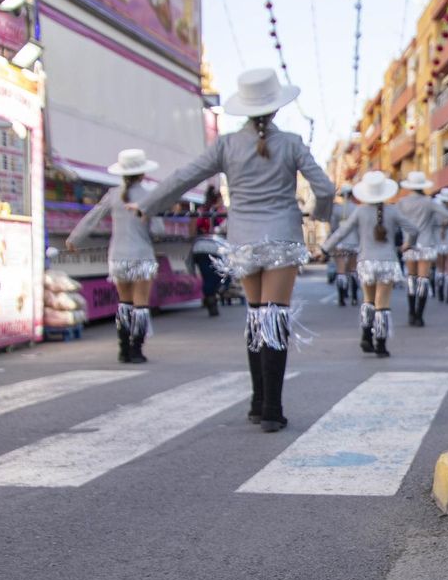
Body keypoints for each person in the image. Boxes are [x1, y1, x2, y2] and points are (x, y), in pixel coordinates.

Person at [134, 69, 335, 432]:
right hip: (283, 239)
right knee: (274, 318)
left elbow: (184, 177)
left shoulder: (226, 145)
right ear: (275, 108)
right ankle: (273, 408)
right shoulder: (291, 143)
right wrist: (319, 215)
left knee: (255, 317)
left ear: (245, 108)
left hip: (242, 241)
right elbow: (325, 188)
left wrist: (147, 206)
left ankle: (257, 403)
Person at [65, 149, 163, 364]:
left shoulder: (113, 194)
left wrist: (74, 239)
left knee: (124, 303)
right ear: (142, 173)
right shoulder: (150, 196)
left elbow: (92, 218)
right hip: (142, 255)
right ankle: (136, 350)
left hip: (118, 256)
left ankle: (123, 349)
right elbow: (158, 230)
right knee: (141, 305)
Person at [324, 170, 403, 358]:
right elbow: (412, 229)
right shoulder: (392, 211)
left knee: (368, 300)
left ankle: (366, 335)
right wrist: (407, 244)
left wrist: (326, 247)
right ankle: (381, 345)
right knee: (382, 303)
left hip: (366, 260)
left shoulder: (359, 211)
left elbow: (341, 232)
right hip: (388, 261)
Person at [393, 170, 448, 327]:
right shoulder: (428, 202)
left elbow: (394, 220)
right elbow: (447, 215)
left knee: (411, 279)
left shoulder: (402, 202)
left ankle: (411, 312)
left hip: (409, 244)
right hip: (425, 243)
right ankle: (419, 315)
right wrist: (437, 223)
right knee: (423, 280)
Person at [192, 184, 225, 317]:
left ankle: (209, 296)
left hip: (200, 246)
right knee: (219, 274)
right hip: (216, 246)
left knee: (207, 275)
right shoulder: (221, 212)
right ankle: (211, 296)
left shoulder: (200, 211)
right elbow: (225, 229)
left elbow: (192, 229)